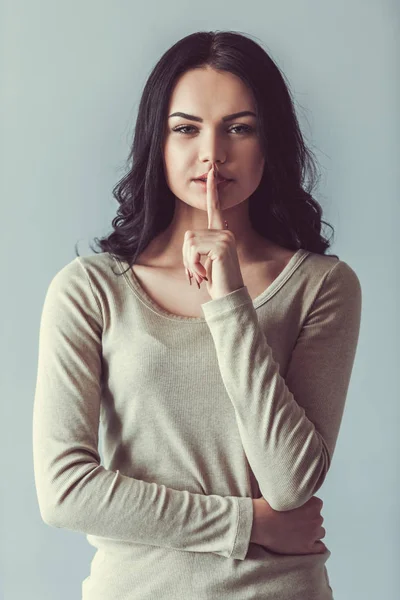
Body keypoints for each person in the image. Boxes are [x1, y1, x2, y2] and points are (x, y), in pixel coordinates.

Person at [32, 30, 362, 599]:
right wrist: (246, 526)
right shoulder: (91, 289)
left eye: (240, 128)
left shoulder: (321, 286)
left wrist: (230, 303)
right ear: (156, 143)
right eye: (186, 128)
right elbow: (65, 491)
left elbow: (289, 483)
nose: (213, 153)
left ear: (270, 142)